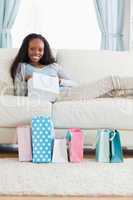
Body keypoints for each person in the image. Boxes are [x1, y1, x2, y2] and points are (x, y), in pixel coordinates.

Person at [10, 33, 76, 97]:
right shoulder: (22, 67)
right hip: (38, 98)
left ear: (44, 51)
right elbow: (18, 94)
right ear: (26, 49)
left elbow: (74, 84)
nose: (36, 52)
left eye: (40, 50)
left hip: (60, 96)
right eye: (32, 49)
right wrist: (26, 81)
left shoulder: (54, 66)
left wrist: (58, 81)